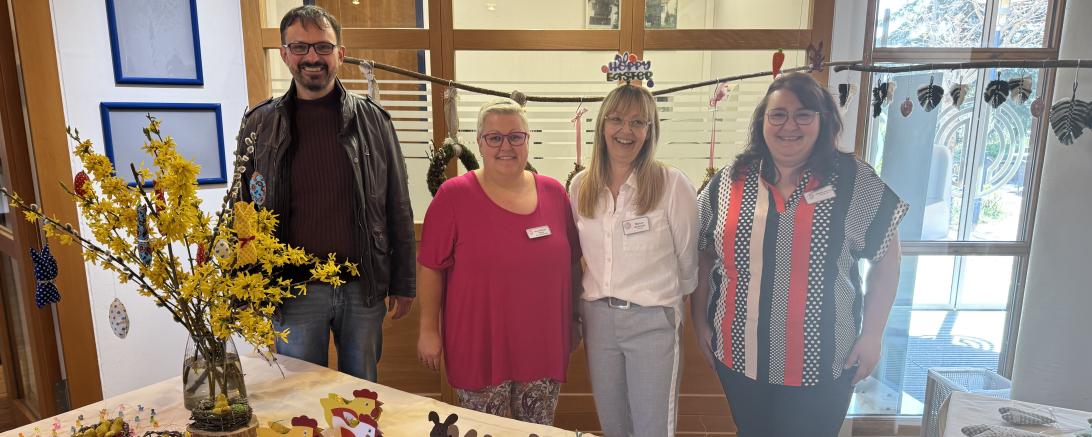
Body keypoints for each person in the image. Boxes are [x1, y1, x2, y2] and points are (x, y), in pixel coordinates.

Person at [692, 73, 908, 437]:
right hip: (741, 356)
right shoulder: (730, 180)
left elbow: (888, 259)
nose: (789, 125)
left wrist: (873, 335)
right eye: (778, 115)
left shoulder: (854, 181)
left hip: (824, 361)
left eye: (803, 114)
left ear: (823, 121)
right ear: (762, 121)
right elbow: (701, 252)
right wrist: (699, 321)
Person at [235, 5, 416, 382]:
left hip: (361, 285)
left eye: (322, 47)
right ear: (285, 54)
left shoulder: (374, 121)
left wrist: (403, 282)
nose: (312, 57)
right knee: (299, 392)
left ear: (340, 54)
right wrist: (248, 284)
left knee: (363, 391)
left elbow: (397, 203)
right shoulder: (259, 124)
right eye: (300, 47)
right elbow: (244, 213)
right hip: (292, 288)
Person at [416, 98, 580, 425]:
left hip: (543, 344)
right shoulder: (453, 196)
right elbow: (431, 266)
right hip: (480, 346)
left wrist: (574, 319)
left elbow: (573, 264)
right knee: (483, 431)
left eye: (516, 136)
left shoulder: (554, 194)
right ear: (479, 143)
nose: (506, 146)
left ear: (527, 141)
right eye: (495, 138)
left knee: (537, 432)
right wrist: (428, 330)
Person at [568, 84, 698, 437]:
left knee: (652, 427)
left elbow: (688, 262)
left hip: (653, 319)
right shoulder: (581, 186)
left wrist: (664, 302)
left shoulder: (671, 184)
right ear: (602, 125)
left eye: (638, 122)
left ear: (650, 131)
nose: (626, 131)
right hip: (598, 319)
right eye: (617, 119)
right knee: (614, 423)